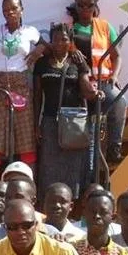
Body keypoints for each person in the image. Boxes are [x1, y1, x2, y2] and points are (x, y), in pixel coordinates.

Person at [32, 23, 97, 194]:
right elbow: (37, 96)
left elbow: (86, 90)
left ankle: (72, 206)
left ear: (71, 41)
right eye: (55, 40)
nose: (60, 43)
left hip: (73, 122)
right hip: (49, 120)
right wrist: (36, 125)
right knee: (49, 165)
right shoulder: (42, 64)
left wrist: (83, 67)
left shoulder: (77, 62)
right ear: (51, 41)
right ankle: (48, 203)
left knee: (73, 166)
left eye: (64, 39)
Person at [66, 0, 127, 164]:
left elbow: (117, 56)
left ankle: (114, 148)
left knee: (119, 100)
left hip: (103, 82)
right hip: (79, 84)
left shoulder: (106, 27)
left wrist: (115, 76)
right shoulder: (68, 29)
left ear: (95, 5)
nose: (85, 8)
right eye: (81, 4)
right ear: (75, 6)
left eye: (89, 4)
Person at [0, 0, 41, 181]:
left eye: (14, 8)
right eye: (6, 9)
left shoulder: (30, 31)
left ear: (21, 10)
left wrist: (39, 51)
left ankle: (29, 191)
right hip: (0, 88)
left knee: (26, 142)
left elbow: (46, 46)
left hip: (21, 87)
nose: (10, 12)